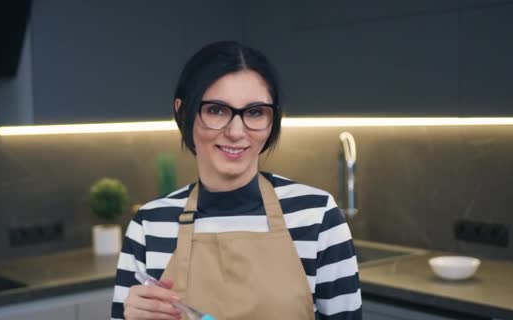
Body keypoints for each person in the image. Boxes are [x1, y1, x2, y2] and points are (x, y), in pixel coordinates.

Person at [111, 41, 362, 320]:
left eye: (255, 112)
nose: (236, 131)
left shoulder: (316, 217)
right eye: (216, 110)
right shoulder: (150, 224)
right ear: (183, 113)